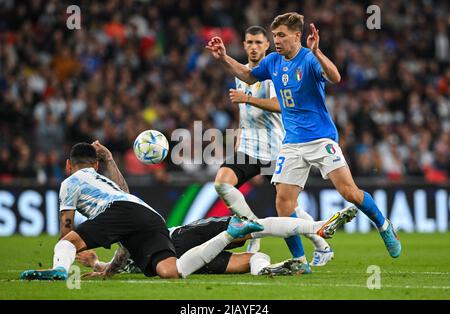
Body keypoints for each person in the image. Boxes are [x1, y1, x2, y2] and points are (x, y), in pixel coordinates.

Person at [206, 12, 401, 258]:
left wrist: (318, 52)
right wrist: (223, 58)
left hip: (320, 138)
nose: (276, 40)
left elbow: (336, 77)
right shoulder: (274, 61)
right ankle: (299, 260)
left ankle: (383, 225)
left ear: (297, 36)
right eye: (274, 35)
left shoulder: (308, 59)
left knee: (349, 192)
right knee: (283, 204)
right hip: (291, 143)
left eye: (281, 36)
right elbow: (247, 75)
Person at [19, 141, 264, 281]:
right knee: (170, 271)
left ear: (68, 165)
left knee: (65, 244)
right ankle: (229, 234)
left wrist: (67, 248)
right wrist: (108, 273)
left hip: (123, 210)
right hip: (149, 214)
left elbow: (67, 226)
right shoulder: (104, 181)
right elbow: (126, 197)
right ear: (96, 164)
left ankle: (58, 271)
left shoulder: (70, 182)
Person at [214, 26, 334, 269]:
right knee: (222, 183)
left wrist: (247, 98)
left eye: (259, 42)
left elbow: (281, 105)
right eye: (249, 42)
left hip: (276, 148)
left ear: (267, 46)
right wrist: (238, 140)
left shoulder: (273, 72)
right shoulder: (242, 74)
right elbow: (243, 114)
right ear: (244, 45)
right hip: (248, 149)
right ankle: (253, 233)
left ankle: (321, 243)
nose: (254, 47)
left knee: (289, 207)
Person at [78, 208, 357, 278]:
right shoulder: (134, 226)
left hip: (185, 262)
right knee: (252, 227)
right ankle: (316, 228)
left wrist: (100, 266)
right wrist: (103, 264)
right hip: (180, 237)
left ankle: (266, 270)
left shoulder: (135, 260)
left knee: (248, 262)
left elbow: (122, 261)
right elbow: (123, 252)